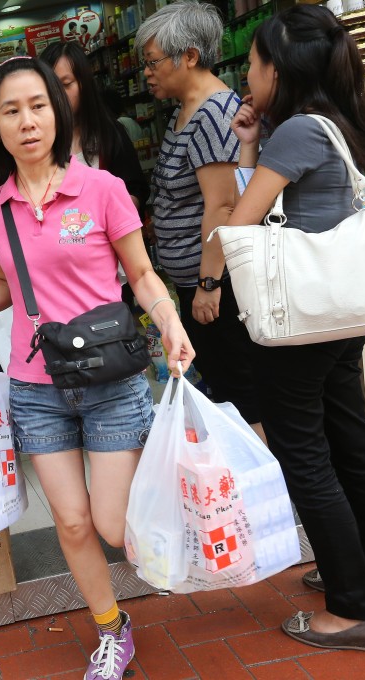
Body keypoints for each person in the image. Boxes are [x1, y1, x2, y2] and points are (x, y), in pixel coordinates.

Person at [0, 56, 194, 680]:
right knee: (73, 523)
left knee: (111, 523)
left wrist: (169, 322)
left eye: (38, 106)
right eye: (11, 110)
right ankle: (112, 629)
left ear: (58, 111)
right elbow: (5, 286)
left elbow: (140, 273)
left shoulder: (102, 190)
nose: (27, 121)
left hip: (111, 383)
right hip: (35, 389)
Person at [227, 4, 365, 652]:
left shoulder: (297, 131)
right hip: (345, 306)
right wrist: (251, 138)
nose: (247, 72)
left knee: (304, 454)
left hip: (302, 314)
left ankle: (351, 609)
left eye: (252, 62)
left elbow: (242, 220)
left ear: (279, 68)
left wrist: (211, 282)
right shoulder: (349, 120)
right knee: (352, 436)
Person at [135, 0, 263, 438]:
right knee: (224, 386)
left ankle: (263, 486)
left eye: (152, 62)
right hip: (195, 281)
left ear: (188, 56)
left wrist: (209, 284)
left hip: (216, 286)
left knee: (240, 390)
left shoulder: (212, 115)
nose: (146, 72)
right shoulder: (184, 111)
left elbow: (222, 207)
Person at [40, 41, 148, 212]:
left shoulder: (110, 133)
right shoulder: (35, 141)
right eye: (50, 87)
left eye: (66, 85)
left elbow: (136, 190)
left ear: (84, 85)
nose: (57, 95)